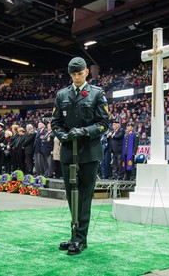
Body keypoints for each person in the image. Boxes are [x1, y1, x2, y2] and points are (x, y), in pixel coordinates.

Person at [51, 57, 109, 255]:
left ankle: (81, 239)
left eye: (79, 73)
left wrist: (84, 131)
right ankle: (74, 235)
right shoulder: (62, 95)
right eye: (73, 74)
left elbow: (103, 123)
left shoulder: (97, 94)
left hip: (89, 153)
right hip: (69, 152)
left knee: (84, 196)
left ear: (86, 72)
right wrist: (63, 135)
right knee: (71, 196)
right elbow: (55, 122)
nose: (76, 77)